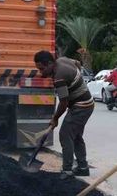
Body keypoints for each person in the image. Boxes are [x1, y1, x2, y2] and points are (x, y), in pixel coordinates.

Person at [34, 50, 95, 178]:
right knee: (75, 136)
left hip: (81, 106)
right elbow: (77, 63)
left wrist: (55, 118)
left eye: (42, 69)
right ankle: (83, 168)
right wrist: (76, 81)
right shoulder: (62, 60)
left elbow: (63, 102)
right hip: (86, 103)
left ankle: (67, 170)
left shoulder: (59, 77)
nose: (41, 72)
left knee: (65, 134)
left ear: (50, 63)